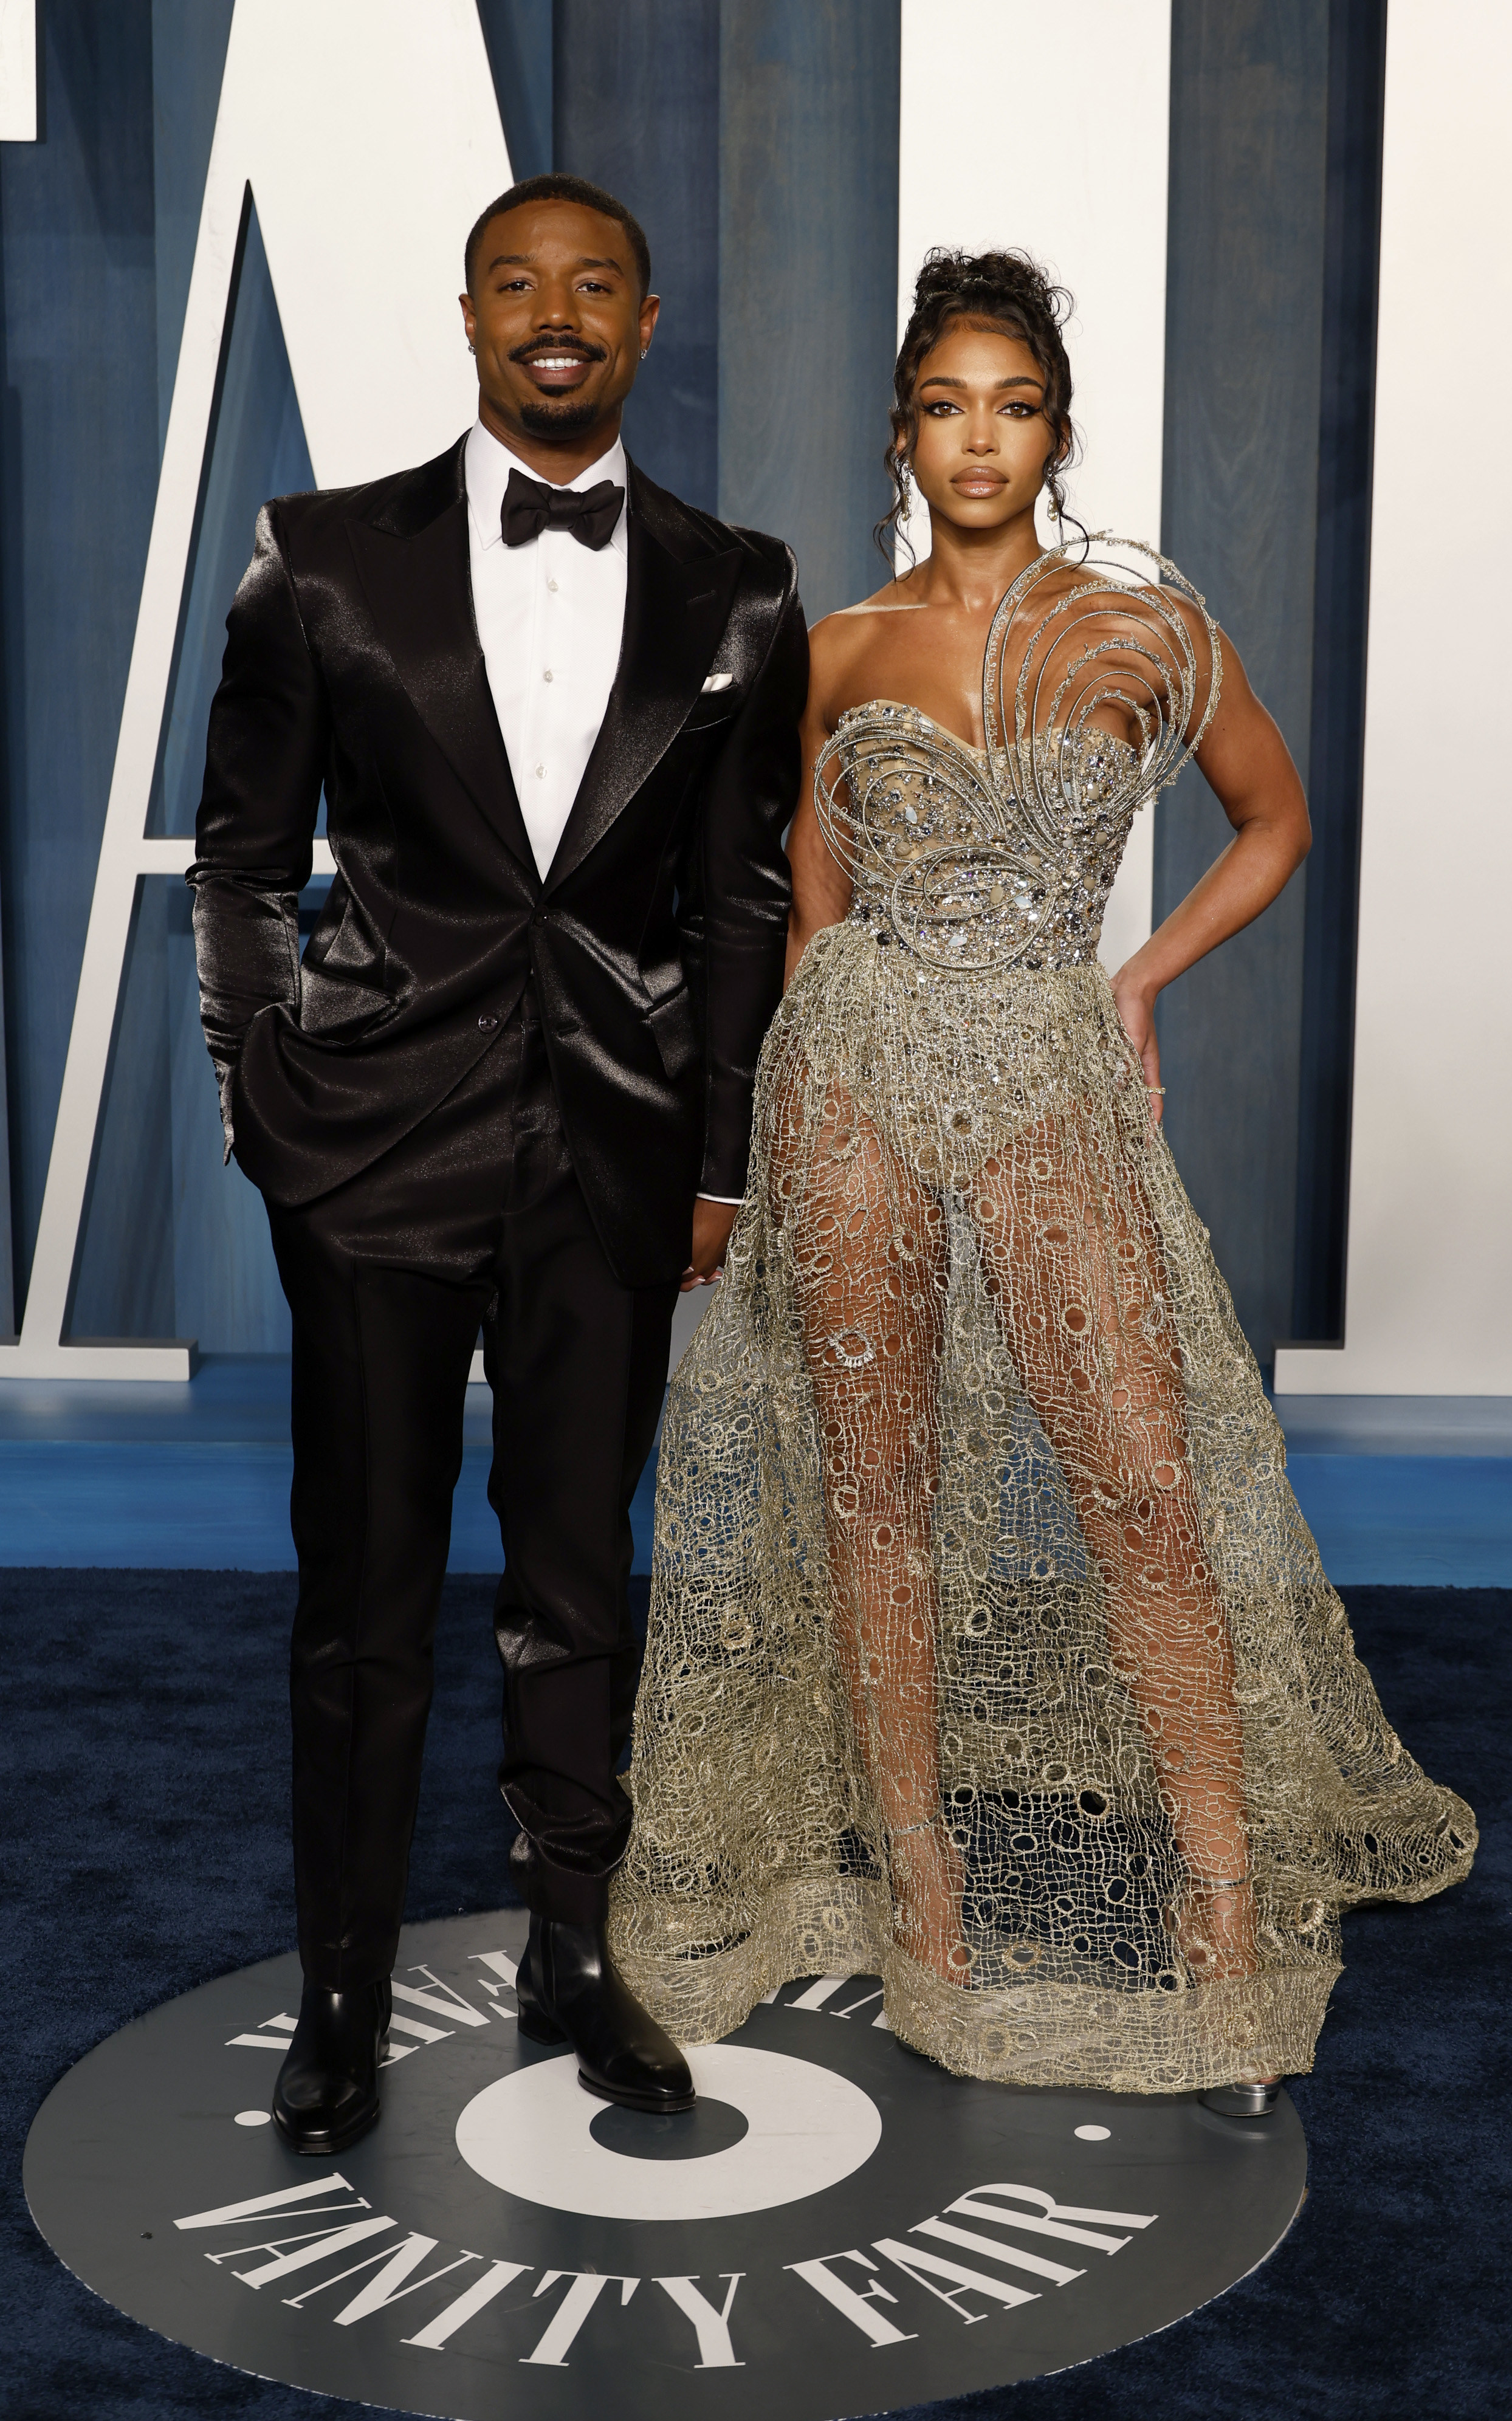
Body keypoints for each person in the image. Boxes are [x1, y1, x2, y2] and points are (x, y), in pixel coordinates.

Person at [613, 250, 1474, 2106]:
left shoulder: (1145, 628)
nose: (977, 437)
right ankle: (917, 1887)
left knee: (1146, 1485)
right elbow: (802, 911)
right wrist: (750, 1148)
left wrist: (1141, 982)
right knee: (877, 1492)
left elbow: (1278, 818)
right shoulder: (834, 646)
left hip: (1049, 1083)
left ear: (1056, 429)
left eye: (1012, 403)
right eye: (944, 405)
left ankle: (1224, 1908)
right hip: (854, 1083)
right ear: (904, 434)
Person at [190, 173, 806, 2153]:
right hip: (369, 1146)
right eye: (520, 286)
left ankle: (569, 1954)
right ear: (468, 317)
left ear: (646, 321)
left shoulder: (740, 584)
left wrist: (718, 1155)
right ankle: (346, 1997)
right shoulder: (317, 558)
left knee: (574, 1582)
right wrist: (257, 1089)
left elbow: (739, 904)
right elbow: (238, 859)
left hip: (613, 1154)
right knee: (359, 1592)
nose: (559, 316)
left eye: (597, 286)